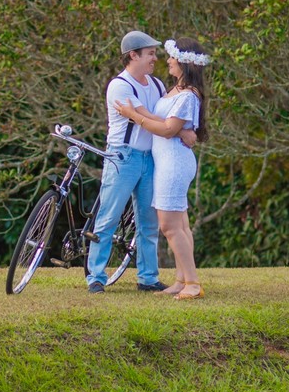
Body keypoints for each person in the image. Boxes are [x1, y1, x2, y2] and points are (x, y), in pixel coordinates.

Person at [86, 31, 197, 295]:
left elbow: (166, 117)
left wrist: (178, 129)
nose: (155, 59)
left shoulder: (157, 85)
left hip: (151, 159)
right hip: (123, 157)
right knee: (109, 216)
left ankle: (147, 277)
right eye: (149, 53)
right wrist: (180, 132)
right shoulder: (120, 85)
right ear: (132, 55)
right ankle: (96, 277)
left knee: (148, 222)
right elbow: (143, 115)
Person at [116, 37, 211, 300]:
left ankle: (192, 282)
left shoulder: (189, 95)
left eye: (171, 57)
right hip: (168, 161)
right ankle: (182, 280)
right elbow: (167, 122)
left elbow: (168, 130)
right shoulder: (176, 91)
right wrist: (138, 110)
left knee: (169, 226)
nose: (166, 60)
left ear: (183, 62)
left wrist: (134, 116)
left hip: (174, 163)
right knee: (180, 225)